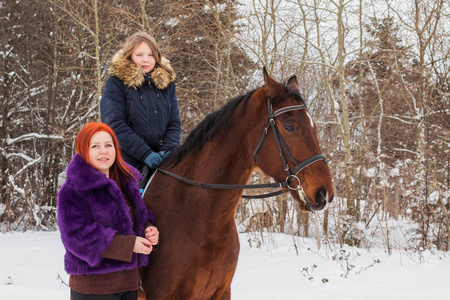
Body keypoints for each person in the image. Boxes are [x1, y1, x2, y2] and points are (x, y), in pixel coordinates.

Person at [57, 122, 159, 300]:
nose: (103, 151)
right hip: (94, 288)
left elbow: (138, 219)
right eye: (95, 146)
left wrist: (149, 230)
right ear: (83, 150)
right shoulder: (73, 189)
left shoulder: (127, 181)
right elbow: (77, 236)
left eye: (108, 145)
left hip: (129, 284)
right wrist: (129, 244)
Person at [100, 32, 181, 179]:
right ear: (130, 55)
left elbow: (174, 123)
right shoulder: (117, 83)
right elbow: (114, 124)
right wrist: (146, 154)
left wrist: (169, 150)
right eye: (139, 55)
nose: (146, 60)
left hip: (164, 161)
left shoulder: (167, 85)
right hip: (127, 160)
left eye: (151, 55)